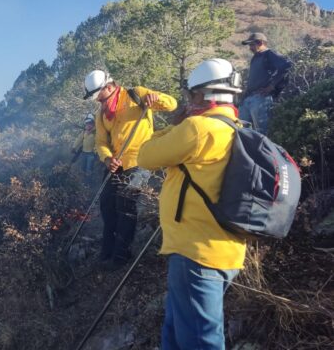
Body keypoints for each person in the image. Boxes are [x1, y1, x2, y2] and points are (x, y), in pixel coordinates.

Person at [138, 58, 247, 349]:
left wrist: (175, 124)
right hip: (224, 251)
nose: (188, 100)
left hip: (196, 254)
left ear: (202, 94)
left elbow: (146, 155)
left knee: (201, 340)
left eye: (191, 95)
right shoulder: (238, 128)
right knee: (176, 332)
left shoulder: (198, 128)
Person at [83, 69, 177, 269]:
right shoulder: (101, 114)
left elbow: (172, 104)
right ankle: (106, 251)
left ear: (109, 87)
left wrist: (156, 98)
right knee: (107, 204)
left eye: (98, 95)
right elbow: (100, 142)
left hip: (140, 161)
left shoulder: (136, 95)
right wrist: (107, 158)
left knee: (125, 205)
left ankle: (121, 256)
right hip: (115, 165)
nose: (97, 100)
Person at [239, 32, 292, 135]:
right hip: (248, 98)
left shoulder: (269, 54)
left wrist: (271, 86)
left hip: (260, 98)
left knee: (261, 132)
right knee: (243, 131)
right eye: (249, 45)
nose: (250, 48)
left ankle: (262, 151)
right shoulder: (255, 57)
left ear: (260, 42)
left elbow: (286, 66)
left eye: (252, 44)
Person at [71, 113, 97, 180]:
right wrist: (74, 147)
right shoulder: (84, 131)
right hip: (83, 153)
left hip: (91, 154)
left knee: (89, 169)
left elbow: (99, 143)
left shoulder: (96, 132)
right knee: (82, 168)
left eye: (90, 123)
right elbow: (79, 139)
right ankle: (82, 182)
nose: (88, 125)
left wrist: (95, 151)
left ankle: (88, 181)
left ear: (93, 123)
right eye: (87, 123)